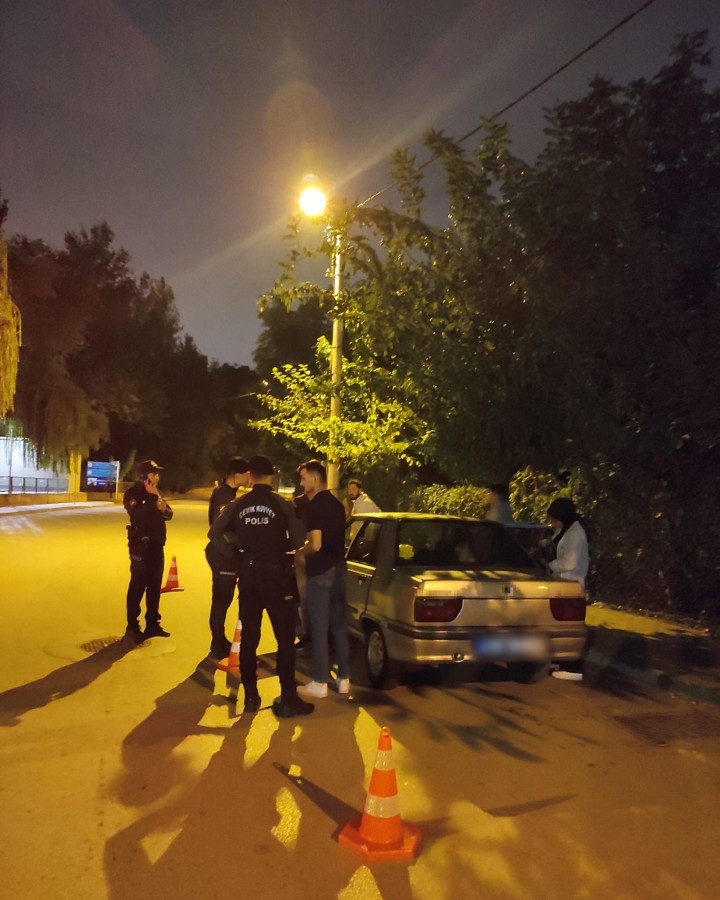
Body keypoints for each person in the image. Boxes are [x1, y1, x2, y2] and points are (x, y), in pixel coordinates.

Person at [208, 455, 313, 718]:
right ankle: (288, 697)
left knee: (249, 639)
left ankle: (251, 697)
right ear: (271, 476)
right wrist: (278, 546)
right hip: (277, 576)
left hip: (249, 575)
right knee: (285, 639)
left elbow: (214, 533)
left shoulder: (238, 504)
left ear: (251, 476)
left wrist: (236, 553)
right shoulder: (281, 504)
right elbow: (298, 539)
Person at [296, 460, 351, 699]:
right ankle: (344, 679)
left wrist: (300, 552)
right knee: (339, 626)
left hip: (320, 572)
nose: (301, 483)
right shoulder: (338, 505)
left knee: (319, 627)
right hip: (339, 569)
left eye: (303, 478)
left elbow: (316, 545)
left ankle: (319, 682)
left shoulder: (315, 506)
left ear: (315, 478)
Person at [123, 459, 173, 644]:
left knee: (154, 588)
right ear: (145, 476)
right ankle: (132, 626)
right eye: (154, 473)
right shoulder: (132, 494)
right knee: (137, 586)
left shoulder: (155, 493)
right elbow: (140, 514)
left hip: (157, 547)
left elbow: (169, 514)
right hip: (141, 548)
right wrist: (152, 499)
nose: (158, 476)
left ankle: (152, 624)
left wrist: (163, 507)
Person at [204, 457, 249, 658]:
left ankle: (219, 639)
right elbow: (219, 529)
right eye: (247, 474)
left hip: (224, 553)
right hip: (222, 554)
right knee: (221, 601)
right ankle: (217, 643)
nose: (249, 478)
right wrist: (232, 553)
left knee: (223, 600)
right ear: (237, 475)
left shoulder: (228, 493)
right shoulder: (224, 495)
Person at [546, 497, 590, 591]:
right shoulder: (565, 528)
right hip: (562, 582)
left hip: (572, 584)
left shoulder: (576, 533)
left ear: (561, 517)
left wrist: (549, 565)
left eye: (553, 519)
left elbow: (569, 564)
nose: (551, 522)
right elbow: (556, 540)